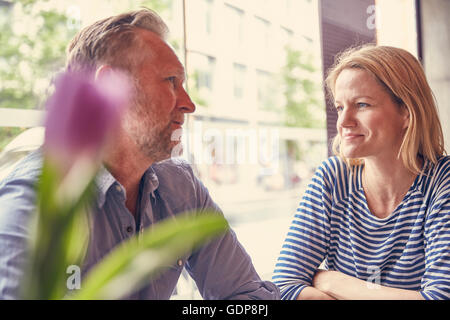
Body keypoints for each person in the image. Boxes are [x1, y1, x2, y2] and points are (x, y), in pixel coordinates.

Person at [0, 9, 280, 300]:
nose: (189, 104)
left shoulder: (181, 187)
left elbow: (248, 297)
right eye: (171, 80)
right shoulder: (30, 206)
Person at [273, 44, 449, 300]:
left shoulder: (442, 183)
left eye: (362, 105)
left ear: (406, 113)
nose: (344, 122)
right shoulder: (333, 178)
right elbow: (284, 286)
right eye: (340, 107)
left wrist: (333, 281)